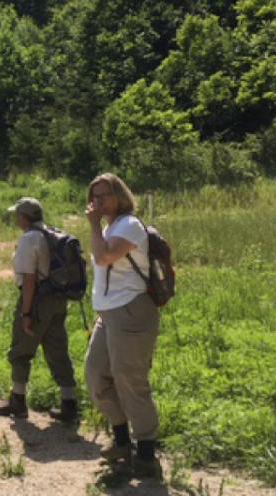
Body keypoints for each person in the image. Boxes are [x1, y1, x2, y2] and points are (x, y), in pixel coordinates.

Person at [85, 173, 162, 478]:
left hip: (131, 312)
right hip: (110, 314)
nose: (98, 201)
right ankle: (121, 441)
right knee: (96, 374)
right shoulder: (109, 227)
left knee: (130, 380)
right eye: (94, 196)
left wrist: (92, 226)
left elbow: (104, 258)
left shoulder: (129, 225)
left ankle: (146, 453)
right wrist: (101, 310)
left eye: (103, 195)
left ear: (120, 195)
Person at [0, 198, 78, 421]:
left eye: (17, 215)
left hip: (37, 299)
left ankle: (17, 401)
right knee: (58, 350)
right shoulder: (52, 234)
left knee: (21, 349)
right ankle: (69, 403)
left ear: (23, 218)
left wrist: (26, 313)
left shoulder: (30, 239)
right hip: (58, 299)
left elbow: (29, 278)